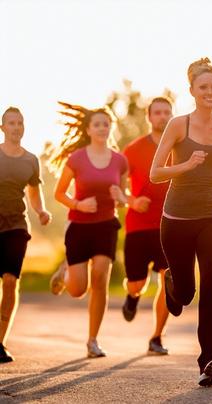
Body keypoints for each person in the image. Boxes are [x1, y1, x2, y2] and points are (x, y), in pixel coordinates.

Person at [150, 57, 212, 387]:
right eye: (204, 87)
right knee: (186, 295)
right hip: (176, 219)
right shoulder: (178, 125)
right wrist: (185, 165)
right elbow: (155, 173)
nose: (210, 92)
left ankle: (211, 359)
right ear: (192, 91)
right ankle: (174, 282)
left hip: (211, 217)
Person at [48, 102, 128, 358]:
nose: (102, 128)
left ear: (110, 128)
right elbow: (59, 193)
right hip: (79, 226)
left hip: (106, 225)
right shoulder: (77, 158)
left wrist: (121, 196)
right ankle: (66, 270)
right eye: (97, 124)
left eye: (106, 124)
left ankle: (93, 340)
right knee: (77, 290)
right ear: (89, 129)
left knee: (101, 278)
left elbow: (124, 196)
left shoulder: (119, 160)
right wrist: (78, 204)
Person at [120, 97, 174, 355]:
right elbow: (116, 187)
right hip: (138, 226)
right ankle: (132, 295)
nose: (162, 117)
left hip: (169, 224)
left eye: (167, 112)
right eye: (158, 113)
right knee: (137, 283)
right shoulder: (132, 149)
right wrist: (131, 200)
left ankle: (157, 337)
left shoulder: (179, 147)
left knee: (168, 281)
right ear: (149, 117)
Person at [0, 107, 52, 363]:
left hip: (16, 226)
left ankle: (0, 341)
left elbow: (34, 191)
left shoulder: (31, 160)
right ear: (3, 128)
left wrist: (41, 210)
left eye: (20, 123)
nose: (16, 127)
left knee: (10, 281)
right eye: (11, 123)